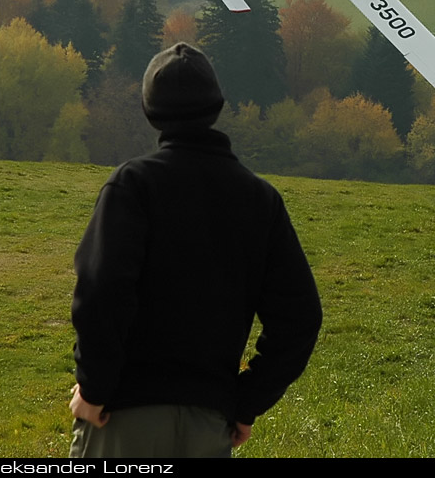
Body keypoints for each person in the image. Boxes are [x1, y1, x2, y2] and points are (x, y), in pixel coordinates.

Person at [69, 42, 322, 458]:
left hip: (123, 416)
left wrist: (94, 388)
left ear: (151, 110)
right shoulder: (260, 199)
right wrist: (246, 403)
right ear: (217, 106)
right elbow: (300, 318)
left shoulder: (133, 185)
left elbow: (102, 291)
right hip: (210, 423)